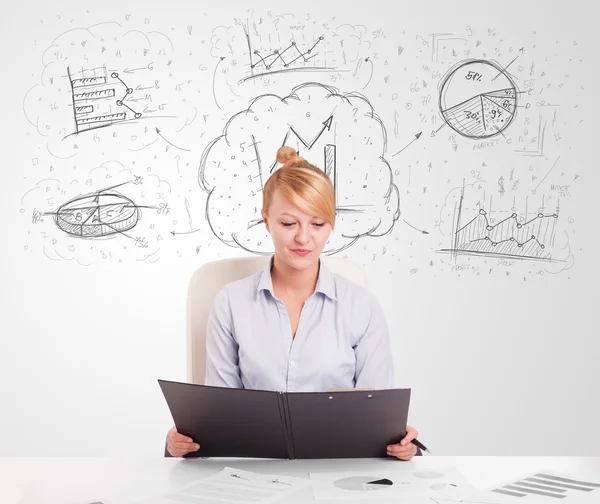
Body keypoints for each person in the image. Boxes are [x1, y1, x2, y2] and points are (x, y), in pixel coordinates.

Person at [166, 146, 419, 460]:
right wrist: (186, 440)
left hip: (339, 469)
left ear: (332, 224)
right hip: (254, 469)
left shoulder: (361, 306)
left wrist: (398, 441)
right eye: (288, 224)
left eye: (317, 224)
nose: (303, 238)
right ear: (266, 221)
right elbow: (222, 415)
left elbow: (377, 417)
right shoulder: (230, 303)